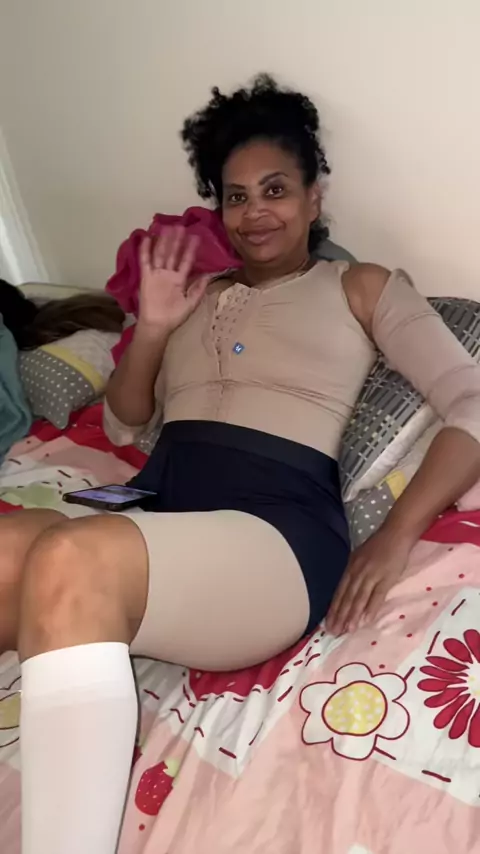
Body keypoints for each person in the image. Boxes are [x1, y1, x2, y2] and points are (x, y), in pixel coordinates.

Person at [2, 74, 480, 854]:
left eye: (276, 189)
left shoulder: (360, 286)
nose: (256, 211)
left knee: (71, 556)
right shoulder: (193, 294)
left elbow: (472, 401)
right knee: (9, 548)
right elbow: (124, 421)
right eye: (236, 196)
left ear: (314, 197)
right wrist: (154, 327)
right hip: (162, 514)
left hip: (277, 537)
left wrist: (395, 536)